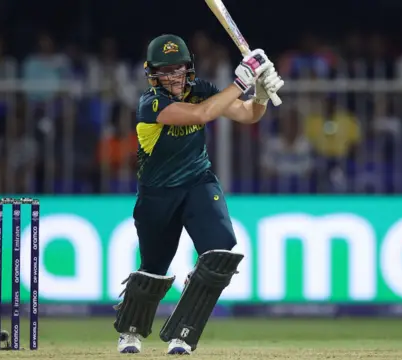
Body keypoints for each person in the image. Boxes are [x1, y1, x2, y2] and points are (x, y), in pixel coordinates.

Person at [113, 34, 283, 355]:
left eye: (178, 70)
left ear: (188, 69)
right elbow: (200, 115)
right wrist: (241, 80)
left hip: (198, 182)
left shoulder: (202, 89)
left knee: (220, 254)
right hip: (157, 194)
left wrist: (259, 94)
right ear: (153, 74)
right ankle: (130, 331)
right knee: (153, 268)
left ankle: (184, 333)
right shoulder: (150, 104)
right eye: (165, 72)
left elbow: (246, 114)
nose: (173, 78)